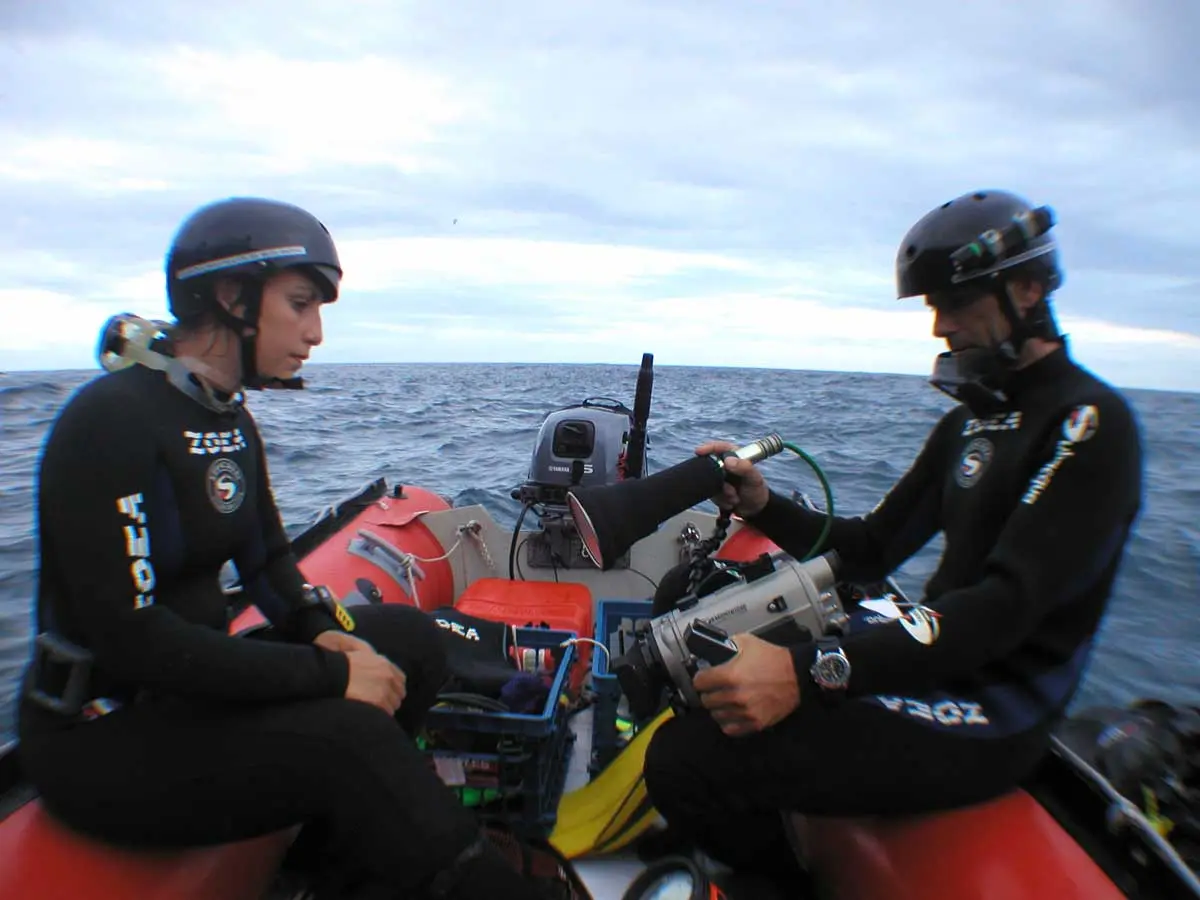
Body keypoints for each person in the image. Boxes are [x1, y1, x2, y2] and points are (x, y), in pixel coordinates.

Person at [17, 196, 557, 900]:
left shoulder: (228, 419)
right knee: (353, 741)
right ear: (232, 296)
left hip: (191, 697)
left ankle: (348, 853)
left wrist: (326, 632)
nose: (316, 333)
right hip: (100, 737)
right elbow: (132, 639)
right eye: (301, 304)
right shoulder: (108, 421)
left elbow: (270, 567)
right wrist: (328, 676)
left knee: (411, 641)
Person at [640, 188, 1145, 888]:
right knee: (695, 656)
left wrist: (804, 671)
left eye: (956, 301)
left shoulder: (1089, 427)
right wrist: (763, 504)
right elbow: (872, 548)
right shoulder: (969, 424)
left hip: (995, 712)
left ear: (1028, 290)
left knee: (683, 761)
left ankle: (785, 881)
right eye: (934, 304)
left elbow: (1002, 612)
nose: (941, 325)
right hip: (931, 667)